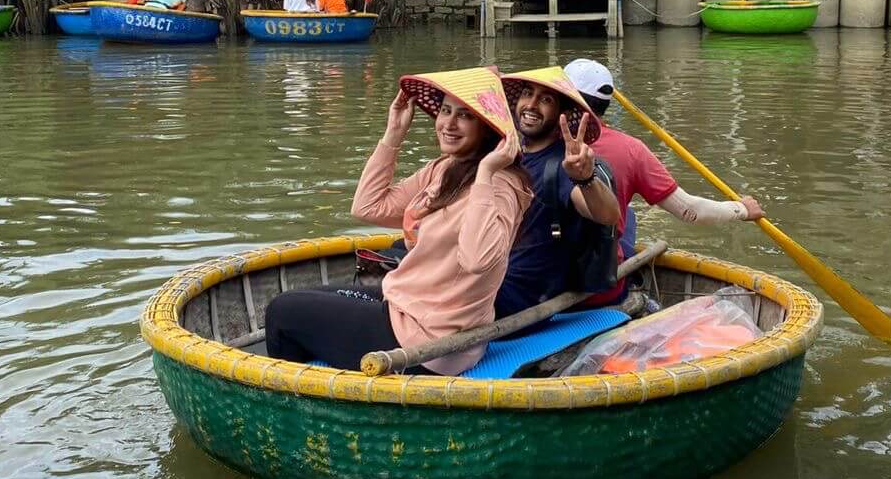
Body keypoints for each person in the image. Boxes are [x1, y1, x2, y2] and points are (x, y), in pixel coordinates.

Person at [265, 68, 529, 374]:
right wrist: (393, 136)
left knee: (281, 313)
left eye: (466, 116)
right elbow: (369, 207)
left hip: (433, 343)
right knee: (301, 297)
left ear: (488, 126)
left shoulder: (501, 186)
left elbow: (478, 260)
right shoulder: (446, 169)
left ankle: (298, 405)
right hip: (410, 308)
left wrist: (486, 172)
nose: (449, 124)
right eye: (445, 111)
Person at [562, 58, 763, 250]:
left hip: (554, 262)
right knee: (628, 216)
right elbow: (689, 211)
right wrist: (742, 209)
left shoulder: (536, 140)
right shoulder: (631, 149)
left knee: (627, 216)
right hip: (601, 271)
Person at [494, 66, 622, 318]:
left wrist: (585, 180)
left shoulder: (562, 165)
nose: (531, 105)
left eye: (546, 100)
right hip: (494, 275)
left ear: (562, 113)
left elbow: (607, 214)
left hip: (522, 295)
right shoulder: (511, 154)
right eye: (527, 94)